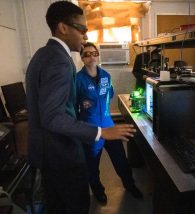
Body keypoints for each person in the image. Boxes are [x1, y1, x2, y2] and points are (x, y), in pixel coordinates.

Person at [25, 2, 135, 213]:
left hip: (48, 154)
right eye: (82, 29)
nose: (85, 37)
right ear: (63, 27)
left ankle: (129, 183)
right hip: (61, 154)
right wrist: (101, 132)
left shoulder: (42, 54)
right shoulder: (61, 62)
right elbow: (54, 117)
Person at [76, 42, 143, 204]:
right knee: (92, 165)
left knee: (121, 159)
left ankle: (130, 185)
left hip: (108, 125)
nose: (91, 56)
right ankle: (98, 191)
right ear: (82, 58)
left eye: (94, 53)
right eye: (87, 54)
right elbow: (72, 105)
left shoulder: (106, 75)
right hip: (91, 130)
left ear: (98, 55)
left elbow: (109, 94)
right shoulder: (77, 79)